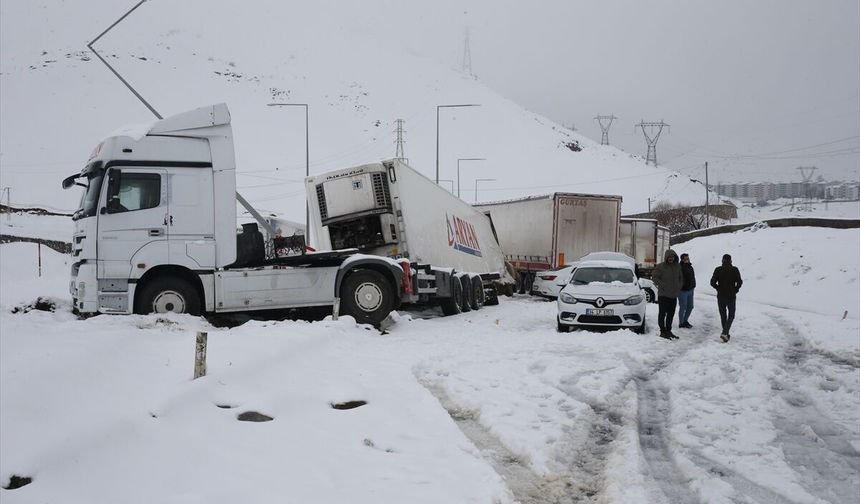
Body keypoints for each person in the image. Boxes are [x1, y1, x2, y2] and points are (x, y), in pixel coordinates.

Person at [710, 254, 743, 342]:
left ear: (722, 260)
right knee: (731, 315)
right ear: (731, 261)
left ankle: (725, 333)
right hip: (731, 295)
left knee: (723, 314)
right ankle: (725, 333)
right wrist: (736, 289)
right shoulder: (734, 269)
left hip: (721, 295)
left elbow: (712, 282)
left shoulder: (718, 269)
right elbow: (739, 282)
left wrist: (718, 288)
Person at [651, 248, 683, 340]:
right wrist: (663, 285)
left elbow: (681, 278)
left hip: (673, 295)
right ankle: (662, 331)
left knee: (671, 314)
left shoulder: (678, 266)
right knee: (662, 314)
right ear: (666, 257)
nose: (671, 258)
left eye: (672, 257)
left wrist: (679, 286)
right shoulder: (660, 266)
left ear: (675, 257)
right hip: (663, 295)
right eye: (669, 257)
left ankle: (668, 331)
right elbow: (654, 277)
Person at [677, 253, 696, 328]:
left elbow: (692, 277)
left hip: (691, 290)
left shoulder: (690, 267)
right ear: (682, 259)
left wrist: (693, 285)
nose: (687, 260)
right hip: (682, 291)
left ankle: (685, 320)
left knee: (690, 306)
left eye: (688, 258)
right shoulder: (679, 267)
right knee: (683, 307)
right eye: (685, 259)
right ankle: (681, 323)